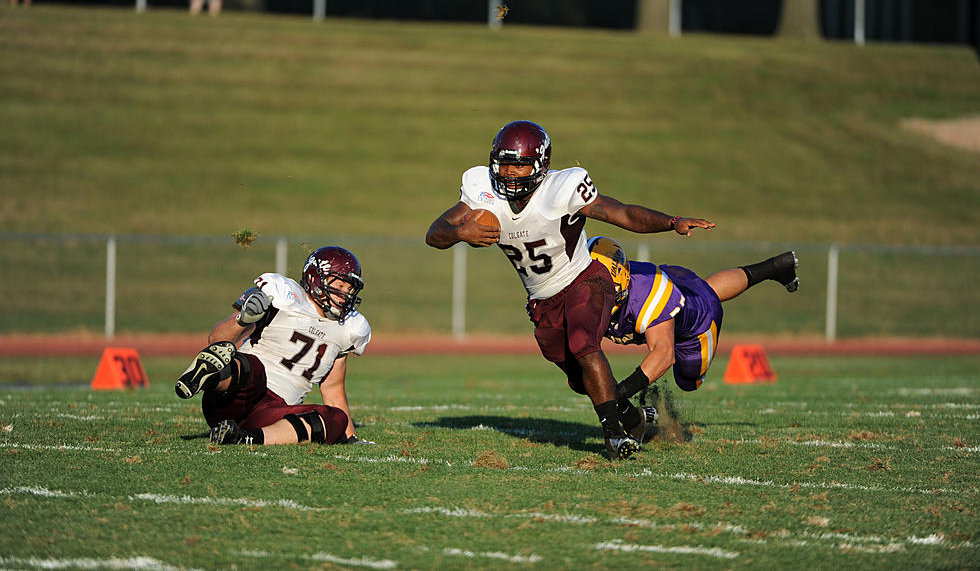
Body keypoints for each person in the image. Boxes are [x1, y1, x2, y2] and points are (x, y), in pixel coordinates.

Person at [425, 120, 715, 459]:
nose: (509, 172)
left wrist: (671, 221)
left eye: (519, 164)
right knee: (580, 379)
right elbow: (436, 231)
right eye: (504, 162)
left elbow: (620, 212)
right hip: (542, 299)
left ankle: (614, 436)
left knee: (583, 343)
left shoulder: (562, 188)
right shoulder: (481, 189)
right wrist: (460, 233)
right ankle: (631, 414)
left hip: (584, 279)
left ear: (541, 165)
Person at [174, 246, 374, 447]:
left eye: (350, 289)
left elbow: (333, 388)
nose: (345, 295)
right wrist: (242, 320)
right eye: (339, 285)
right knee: (253, 367)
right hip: (234, 395)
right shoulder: (282, 297)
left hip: (273, 414)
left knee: (336, 418)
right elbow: (216, 340)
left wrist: (350, 438)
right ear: (315, 279)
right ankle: (213, 377)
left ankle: (242, 438)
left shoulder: (348, 328)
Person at [587, 236, 798, 403]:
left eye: (601, 287)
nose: (592, 293)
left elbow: (663, 353)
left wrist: (621, 393)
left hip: (698, 319)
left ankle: (772, 269)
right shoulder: (595, 283)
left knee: (688, 380)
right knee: (703, 290)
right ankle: (775, 267)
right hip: (674, 284)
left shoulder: (645, 297)